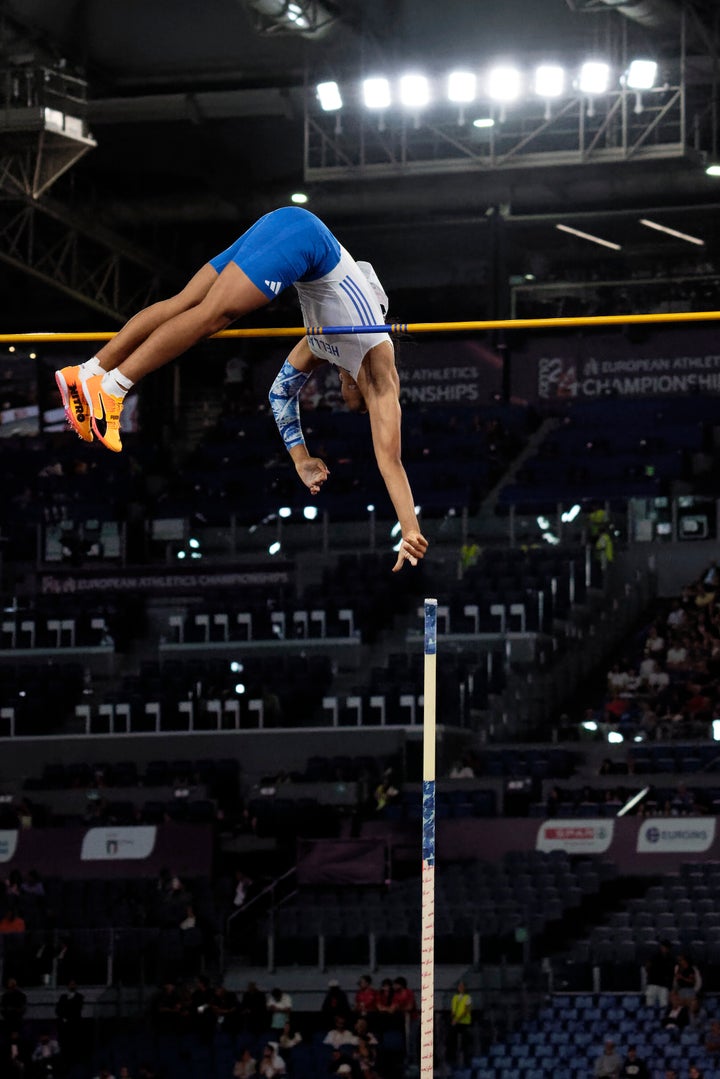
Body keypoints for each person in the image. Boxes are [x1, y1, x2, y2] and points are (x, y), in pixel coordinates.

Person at [55, 206, 428, 573]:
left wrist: (300, 458)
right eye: (359, 408)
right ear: (359, 392)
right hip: (304, 239)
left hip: (290, 228)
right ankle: (113, 389)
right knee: (212, 317)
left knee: (185, 303)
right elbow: (389, 460)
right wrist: (410, 528)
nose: (353, 407)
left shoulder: (320, 347)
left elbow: (280, 393)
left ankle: (87, 372)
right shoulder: (380, 369)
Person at [448, 979, 473, 1068]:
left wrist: (457, 1019)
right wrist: (452, 1018)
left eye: (462, 986)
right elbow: (453, 1010)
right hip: (456, 1022)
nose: (461, 988)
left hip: (464, 1022)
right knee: (452, 1039)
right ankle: (453, 1058)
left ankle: (466, 1060)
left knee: (465, 1041)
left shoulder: (468, 998)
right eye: (459, 986)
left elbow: (466, 1011)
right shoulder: (455, 998)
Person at [645, 940, 674, 1009]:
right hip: (653, 982)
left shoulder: (671, 958)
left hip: (664, 984)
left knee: (663, 1004)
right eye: (664, 947)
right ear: (661, 947)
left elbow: (671, 972)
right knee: (650, 1003)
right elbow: (648, 967)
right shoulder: (654, 957)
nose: (665, 949)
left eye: (667, 947)